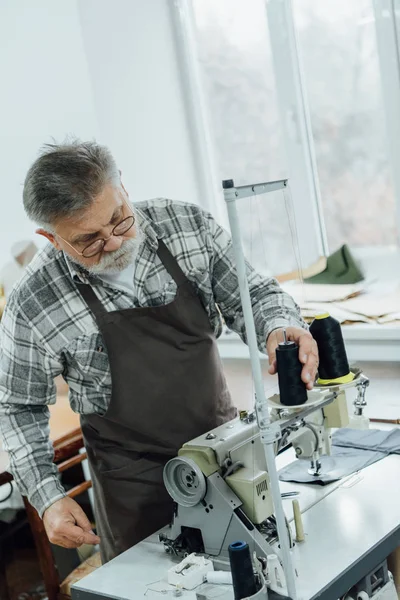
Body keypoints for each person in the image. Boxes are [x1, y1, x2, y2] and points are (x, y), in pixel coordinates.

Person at [0, 140, 318, 563]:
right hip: (134, 491)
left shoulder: (187, 226)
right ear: (51, 238)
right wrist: (48, 497)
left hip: (226, 458)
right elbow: (18, 407)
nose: (112, 243)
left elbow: (254, 294)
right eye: (88, 241)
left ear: (123, 188)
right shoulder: (34, 302)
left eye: (119, 220)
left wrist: (279, 325)